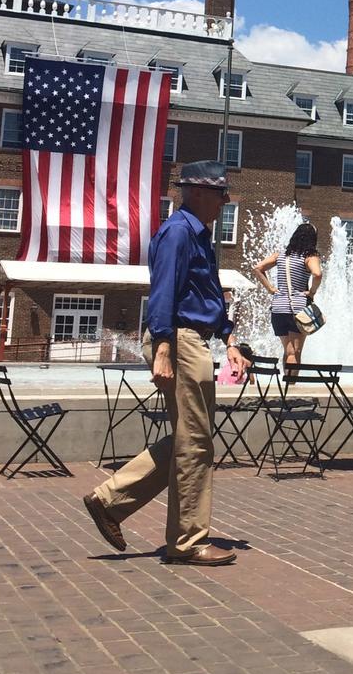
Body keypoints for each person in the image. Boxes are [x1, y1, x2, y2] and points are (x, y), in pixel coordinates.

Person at [82, 160, 245, 566]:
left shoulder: (197, 235)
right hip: (180, 339)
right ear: (199, 193)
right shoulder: (178, 232)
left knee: (192, 437)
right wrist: (163, 349)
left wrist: (229, 338)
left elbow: (206, 293)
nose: (224, 203)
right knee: (196, 442)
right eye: (221, 195)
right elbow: (163, 293)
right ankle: (188, 541)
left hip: (192, 339)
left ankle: (110, 500)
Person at [252, 222, 323, 369]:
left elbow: (258, 268)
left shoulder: (281, 255)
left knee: (288, 351)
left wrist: (270, 288)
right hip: (297, 309)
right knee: (295, 352)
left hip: (278, 308)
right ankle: (290, 388)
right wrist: (312, 292)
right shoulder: (310, 256)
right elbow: (317, 274)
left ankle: (286, 384)